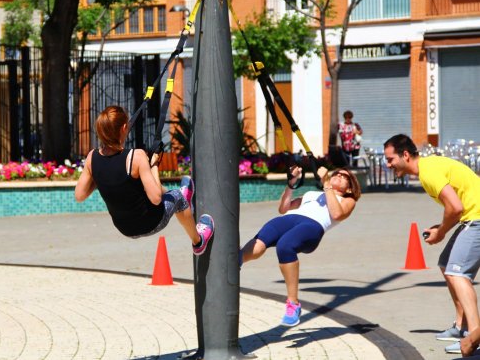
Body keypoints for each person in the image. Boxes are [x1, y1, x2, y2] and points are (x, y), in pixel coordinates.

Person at [384, 134, 480, 355]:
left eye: (390, 159)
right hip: (471, 216)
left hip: (476, 218)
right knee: (447, 264)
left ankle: (474, 337)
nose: (388, 165)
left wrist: (441, 232)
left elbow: (455, 208)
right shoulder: (429, 167)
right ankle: (461, 326)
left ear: (405, 155)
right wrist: (441, 227)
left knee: (458, 273)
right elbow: (456, 207)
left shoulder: (428, 172)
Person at [75, 105, 214, 255]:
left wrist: (99, 176)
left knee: (168, 195)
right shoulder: (136, 157)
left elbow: (79, 195)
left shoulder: (92, 158)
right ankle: (198, 241)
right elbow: (155, 199)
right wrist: (153, 164)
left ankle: (182, 199)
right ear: (124, 128)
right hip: (151, 222)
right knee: (178, 198)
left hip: (125, 228)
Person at [240, 165, 361, 327]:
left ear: (349, 187)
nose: (339, 176)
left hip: (312, 226)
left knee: (285, 246)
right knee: (259, 243)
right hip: (289, 219)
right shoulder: (312, 194)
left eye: (344, 177)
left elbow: (337, 214)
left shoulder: (348, 200)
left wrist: (326, 184)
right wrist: (291, 183)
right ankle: (234, 262)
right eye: (337, 173)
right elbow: (283, 208)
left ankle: (293, 304)